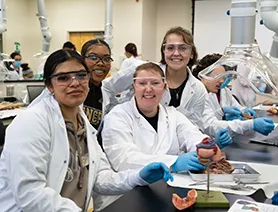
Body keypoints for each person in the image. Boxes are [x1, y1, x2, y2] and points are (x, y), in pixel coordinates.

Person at [0, 49, 173, 211]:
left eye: (81, 76)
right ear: (49, 85)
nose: (75, 83)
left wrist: (138, 177)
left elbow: (100, 177)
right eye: (63, 78)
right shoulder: (30, 123)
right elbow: (30, 195)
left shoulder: (84, 126)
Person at [102, 62, 230, 172]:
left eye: (155, 83)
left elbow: (191, 135)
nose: (148, 89)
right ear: (133, 87)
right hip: (129, 192)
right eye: (142, 83)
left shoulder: (173, 115)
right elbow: (123, 159)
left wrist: (206, 145)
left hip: (169, 186)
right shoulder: (117, 116)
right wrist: (173, 163)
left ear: (164, 88)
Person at [192, 54, 275, 139]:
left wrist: (243, 111)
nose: (221, 81)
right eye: (217, 76)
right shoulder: (197, 94)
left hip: (221, 137)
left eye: (223, 77)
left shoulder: (224, 90)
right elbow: (211, 126)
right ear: (203, 75)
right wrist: (250, 124)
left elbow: (235, 107)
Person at [159, 26, 207, 129]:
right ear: (164, 51)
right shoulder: (148, 77)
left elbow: (194, 127)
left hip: (182, 143)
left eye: (183, 48)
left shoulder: (198, 88)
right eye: (170, 48)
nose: (176, 53)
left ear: (192, 54)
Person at [81, 39, 113, 130]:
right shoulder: (71, 89)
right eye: (93, 58)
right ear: (82, 60)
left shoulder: (107, 95)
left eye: (106, 59)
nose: (100, 63)